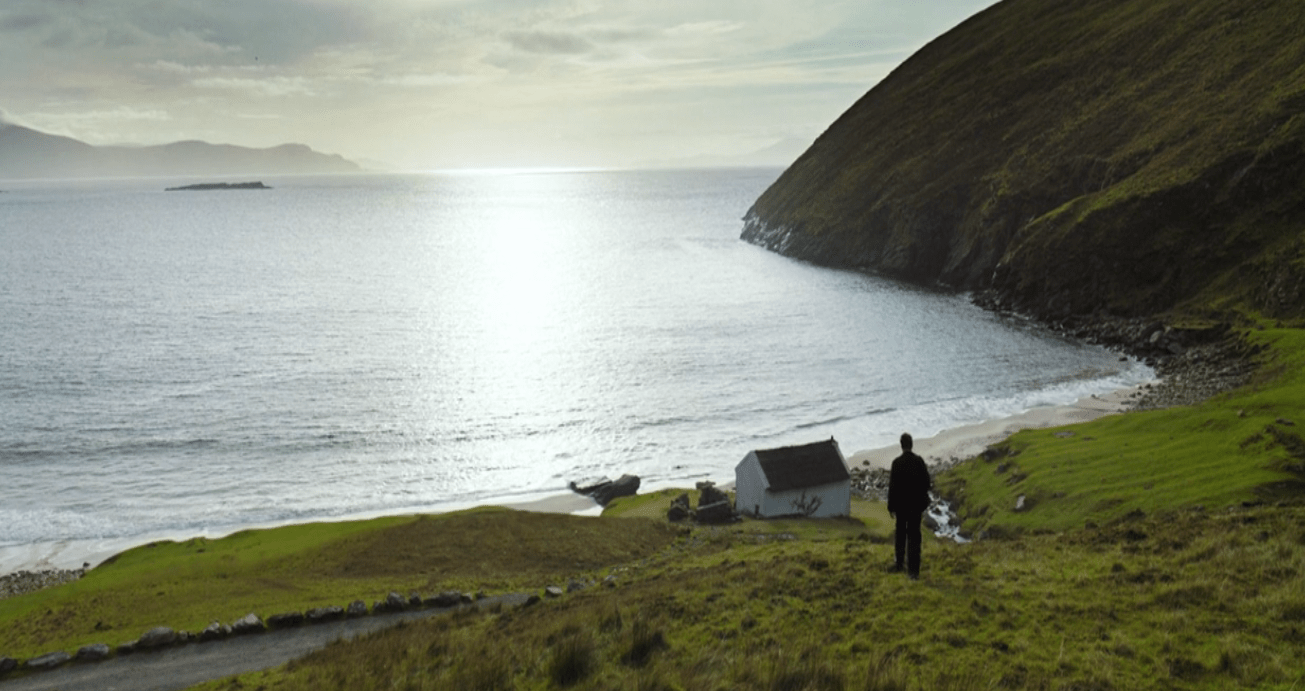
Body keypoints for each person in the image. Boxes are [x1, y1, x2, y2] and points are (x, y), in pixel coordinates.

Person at [887, 432, 931, 579]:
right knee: (914, 536)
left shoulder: (896, 463)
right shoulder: (918, 461)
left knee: (900, 535)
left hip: (901, 506)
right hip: (915, 506)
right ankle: (914, 571)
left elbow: (892, 487)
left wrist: (890, 506)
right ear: (911, 444)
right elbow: (927, 482)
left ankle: (899, 564)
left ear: (901, 445)